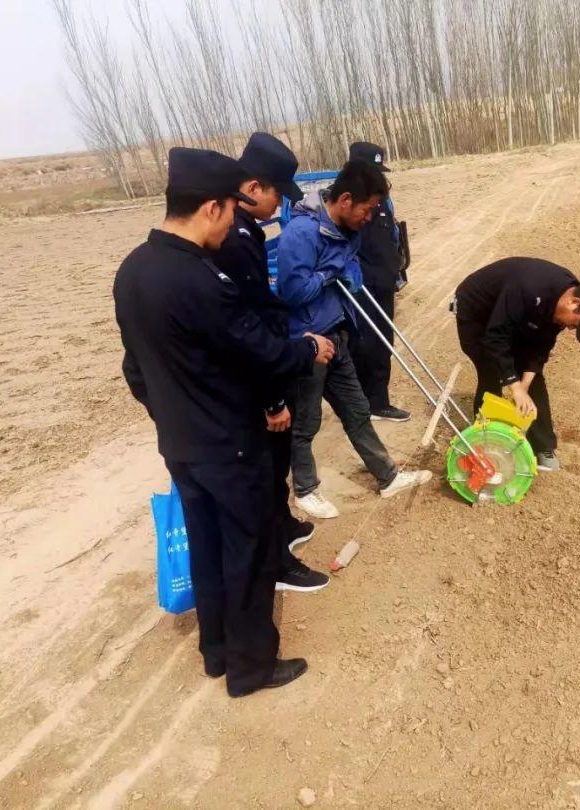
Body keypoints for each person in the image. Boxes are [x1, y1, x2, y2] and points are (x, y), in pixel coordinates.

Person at [113, 146, 335, 698]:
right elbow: (258, 350)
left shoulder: (133, 270)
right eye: (231, 211)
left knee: (208, 549)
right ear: (212, 207)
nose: (236, 220)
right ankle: (251, 667)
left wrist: (170, 416)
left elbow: (135, 370)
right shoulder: (200, 280)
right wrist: (307, 348)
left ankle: (216, 651)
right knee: (250, 552)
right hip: (231, 445)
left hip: (181, 445)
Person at [276, 160, 432, 520]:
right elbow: (293, 292)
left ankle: (387, 476)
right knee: (305, 423)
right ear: (345, 200)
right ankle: (305, 489)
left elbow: (351, 269)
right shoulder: (301, 234)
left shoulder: (349, 230)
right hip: (308, 341)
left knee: (358, 411)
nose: (368, 217)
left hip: (337, 333)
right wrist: (333, 271)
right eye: (366, 209)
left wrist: (352, 274)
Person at [214, 132, 330, 594]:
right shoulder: (235, 240)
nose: (280, 203)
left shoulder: (244, 231)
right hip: (253, 381)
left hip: (266, 359)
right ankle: (277, 562)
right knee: (263, 470)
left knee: (275, 465)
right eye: (278, 193)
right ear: (254, 187)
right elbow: (249, 325)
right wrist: (273, 398)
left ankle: (282, 526)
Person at [453, 257, 580, 471]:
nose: (569, 329)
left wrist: (523, 387)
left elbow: (541, 346)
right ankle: (483, 442)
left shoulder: (565, 300)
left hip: (514, 314)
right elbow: (495, 336)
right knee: (491, 369)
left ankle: (543, 447)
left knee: (531, 377)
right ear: (574, 303)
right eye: (574, 324)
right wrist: (513, 384)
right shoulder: (528, 287)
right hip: (477, 310)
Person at [347, 141, 410, 423]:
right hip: (362, 285)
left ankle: (378, 400)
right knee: (364, 344)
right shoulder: (351, 203)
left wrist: (398, 270)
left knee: (383, 341)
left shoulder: (383, 198)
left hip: (384, 282)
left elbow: (392, 237)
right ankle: (367, 403)